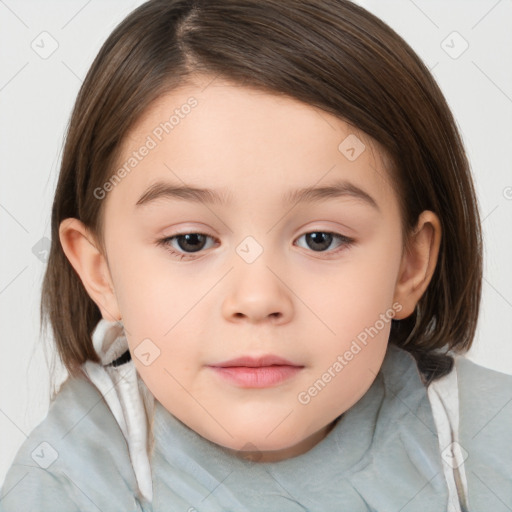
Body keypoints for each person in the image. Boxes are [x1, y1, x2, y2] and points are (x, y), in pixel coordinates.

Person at [1, 0, 511, 511]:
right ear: (101, 271)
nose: (257, 298)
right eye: (190, 241)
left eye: (320, 239)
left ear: (409, 265)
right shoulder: (68, 480)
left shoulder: (488, 444)